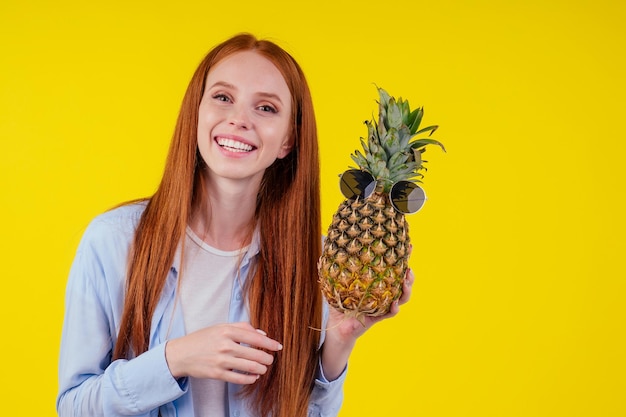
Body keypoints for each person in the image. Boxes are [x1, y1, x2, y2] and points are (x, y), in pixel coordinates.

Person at [56, 33, 414, 417]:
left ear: (288, 140)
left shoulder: (315, 261)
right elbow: (74, 406)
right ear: (196, 111)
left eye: (265, 108)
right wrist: (174, 359)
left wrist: (339, 343)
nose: (239, 120)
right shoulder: (113, 241)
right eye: (223, 97)